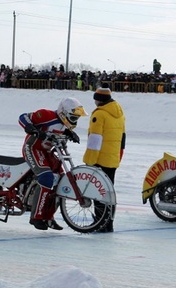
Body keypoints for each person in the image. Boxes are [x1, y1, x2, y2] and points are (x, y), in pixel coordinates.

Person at [18, 97, 87, 230]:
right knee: (46, 177)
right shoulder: (46, 115)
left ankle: (49, 217)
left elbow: (57, 131)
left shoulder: (64, 124)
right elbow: (23, 117)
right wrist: (30, 127)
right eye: (73, 117)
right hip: (33, 148)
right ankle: (36, 217)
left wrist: (69, 133)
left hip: (47, 152)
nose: (75, 121)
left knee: (61, 181)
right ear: (64, 113)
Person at [83, 83, 126, 233]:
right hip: (113, 158)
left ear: (99, 99)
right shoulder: (119, 113)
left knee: (98, 191)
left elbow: (95, 140)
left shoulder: (99, 114)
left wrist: (89, 160)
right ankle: (109, 223)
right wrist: (118, 156)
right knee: (109, 192)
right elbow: (123, 137)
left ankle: (99, 222)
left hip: (100, 159)